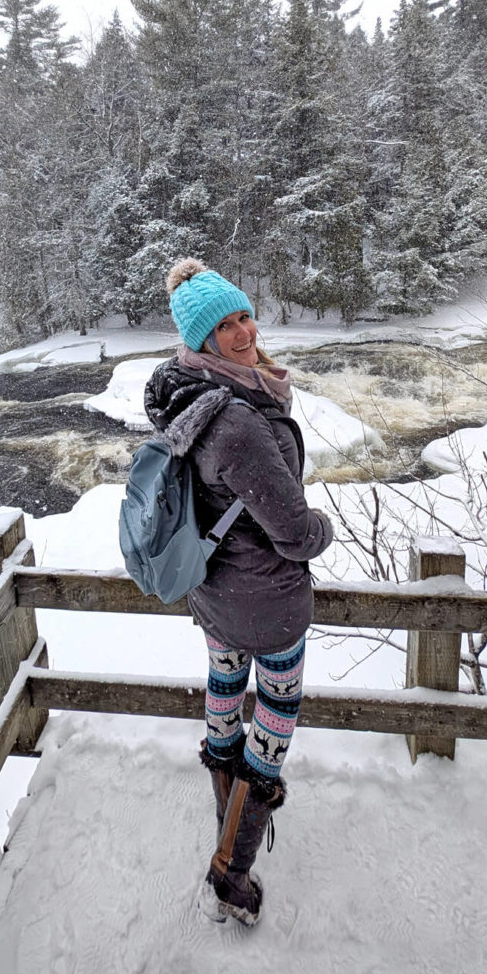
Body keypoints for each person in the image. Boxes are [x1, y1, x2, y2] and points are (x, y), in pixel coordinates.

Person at [144, 258, 333, 926]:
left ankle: (223, 811)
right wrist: (322, 527)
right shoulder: (239, 423)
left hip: (215, 594)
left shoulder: (185, 395)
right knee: (274, 720)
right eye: (223, 325)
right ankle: (232, 866)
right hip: (268, 602)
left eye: (244, 314)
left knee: (224, 691)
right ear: (199, 340)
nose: (242, 330)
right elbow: (293, 534)